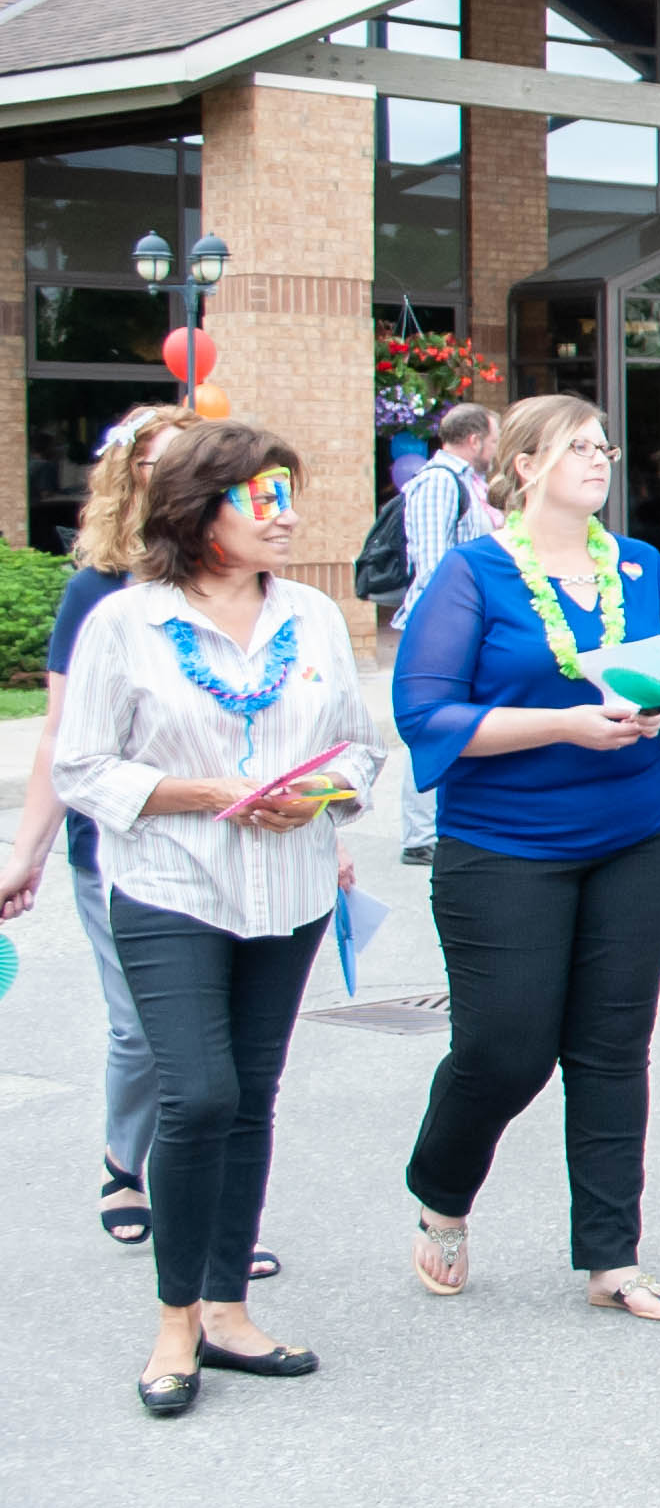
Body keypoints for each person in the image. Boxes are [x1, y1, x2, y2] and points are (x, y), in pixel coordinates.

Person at [52, 421, 383, 1415]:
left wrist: (318, 792)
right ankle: (175, 1317)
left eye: (289, 495)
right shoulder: (127, 623)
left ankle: (229, 1307)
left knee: (248, 1097)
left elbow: (360, 752)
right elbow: (80, 767)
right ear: (201, 512)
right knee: (195, 1094)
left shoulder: (317, 618)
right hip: (170, 886)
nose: (284, 516)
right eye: (263, 497)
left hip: (289, 894)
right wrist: (209, 794)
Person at [393, 394, 660, 1322]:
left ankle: (613, 1258)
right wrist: (567, 725)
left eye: (607, 445)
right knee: (506, 1048)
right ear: (525, 463)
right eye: (579, 445)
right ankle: (442, 1192)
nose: (601, 457)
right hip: (505, 845)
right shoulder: (473, 576)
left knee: (614, 1047)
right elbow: (425, 715)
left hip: (643, 835)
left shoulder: (644, 565)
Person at [10, 409, 212, 1264]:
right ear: (128, 478)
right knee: (142, 1030)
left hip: (228, 846)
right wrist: (23, 853)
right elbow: (61, 735)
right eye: (158, 466)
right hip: (119, 849)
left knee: (213, 1046)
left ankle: (203, 1213)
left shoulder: (232, 577)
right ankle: (122, 1159)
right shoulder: (100, 587)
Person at [390, 402, 498, 865]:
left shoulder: (465, 482)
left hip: (460, 624)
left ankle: (439, 823)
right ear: (474, 440)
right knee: (433, 723)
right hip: (440, 628)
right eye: (493, 439)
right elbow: (434, 565)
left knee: (455, 722)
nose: (495, 448)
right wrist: (452, 629)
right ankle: (419, 834)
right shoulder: (439, 482)